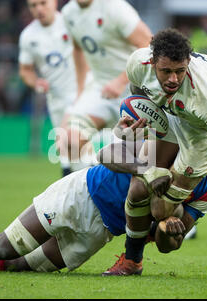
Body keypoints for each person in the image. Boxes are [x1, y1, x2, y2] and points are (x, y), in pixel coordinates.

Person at [0, 118, 207, 274]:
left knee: (19, 265)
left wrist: (168, 232)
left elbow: (166, 244)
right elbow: (105, 155)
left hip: (101, 232)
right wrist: (144, 171)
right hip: (80, 194)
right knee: (2, 246)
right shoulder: (165, 140)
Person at [102, 28, 207, 275]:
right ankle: (132, 261)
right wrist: (141, 119)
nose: (173, 79)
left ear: (188, 63)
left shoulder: (206, 96)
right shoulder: (138, 63)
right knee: (139, 187)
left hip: (205, 135)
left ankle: (167, 227)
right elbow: (138, 89)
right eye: (166, 71)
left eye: (180, 71)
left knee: (159, 210)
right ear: (152, 62)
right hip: (174, 115)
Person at [58, 0, 152, 172]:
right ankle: (90, 183)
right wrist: (80, 90)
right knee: (69, 140)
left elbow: (148, 43)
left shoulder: (115, 7)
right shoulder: (68, 13)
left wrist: (122, 80)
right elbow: (78, 48)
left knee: (134, 164)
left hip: (133, 91)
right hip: (101, 89)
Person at [18, 0, 79, 176]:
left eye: (43, 3)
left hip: (82, 95)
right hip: (56, 100)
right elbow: (25, 70)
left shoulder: (71, 22)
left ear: (54, 2)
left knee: (71, 143)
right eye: (33, 5)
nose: (38, 9)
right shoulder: (28, 36)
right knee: (68, 158)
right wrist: (36, 82)